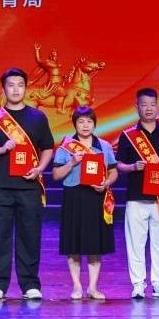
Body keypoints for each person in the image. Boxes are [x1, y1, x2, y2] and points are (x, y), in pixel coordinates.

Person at [0, 68, 56, 301]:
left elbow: (48, 148)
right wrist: (3, 149)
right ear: (3, 89)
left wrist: (40, 169)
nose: (15, 89)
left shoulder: (38, 117)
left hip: (29, 187)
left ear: (26, 88)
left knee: (29, 236)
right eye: (11, 85)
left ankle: (30, 284)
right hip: (0, 188)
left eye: (20, 85)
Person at [116, 88, 159, 299]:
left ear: (158, 106)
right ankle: (138, 284)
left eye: (152, 104)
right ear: (136, 107)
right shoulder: (128, 136)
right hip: (136, 198)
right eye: (144, 104)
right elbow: (118, 165)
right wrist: (132, 167)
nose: (148, 109)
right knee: (135, 243)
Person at [53, 106, 118, 300]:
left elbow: (113, 171)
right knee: (73, 245)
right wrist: (72, 163)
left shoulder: (104, 146)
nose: (85, 125)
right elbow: (56, 175)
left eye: (89, 121)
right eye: (81, 121)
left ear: (94, 124)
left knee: (94, 245)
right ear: (75, 124)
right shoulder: (66, 146)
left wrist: (106, 183)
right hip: (73, 197)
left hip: (96, 197)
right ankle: (76, 286)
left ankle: (93, 287)